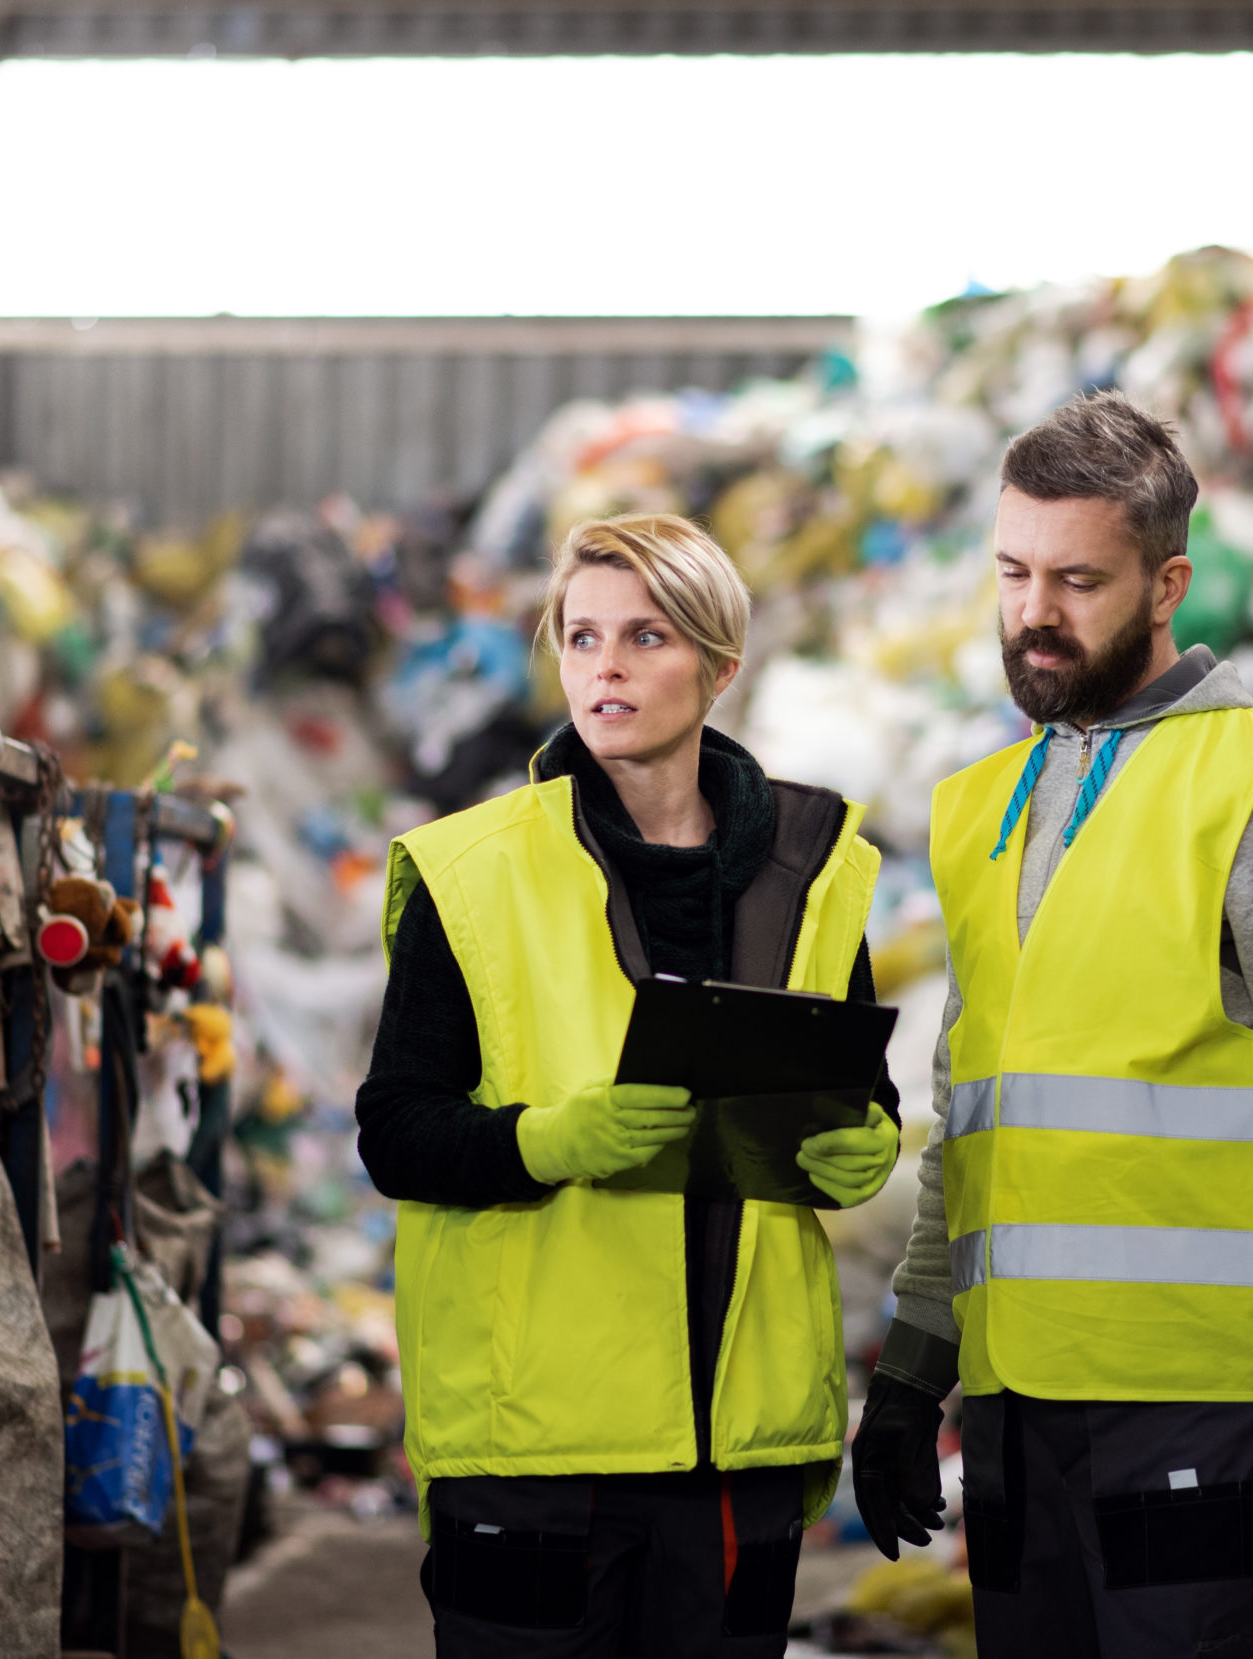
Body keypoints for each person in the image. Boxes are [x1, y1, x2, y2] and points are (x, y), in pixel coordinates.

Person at [850, 393, 1253, 1656]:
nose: (1033, 612)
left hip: (1206, 1407)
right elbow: (976, 1120)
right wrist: (914, 1364)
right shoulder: (981, 808)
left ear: (1167, 582)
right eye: (1012, 572)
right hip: (1017, 1417)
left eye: (1078, 580)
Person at [359, 512, 903, 1658]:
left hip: (736, 1455)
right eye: (580, 635)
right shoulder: (475, 871)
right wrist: (547, 1142)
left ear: (718, 665)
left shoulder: (815, 869)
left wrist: (861, 1143)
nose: (603, 666)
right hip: (535, 1448)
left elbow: (851, 1088)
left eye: (645, 637)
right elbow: (398, 1132)